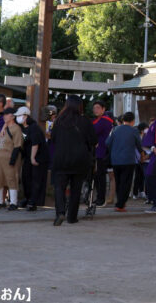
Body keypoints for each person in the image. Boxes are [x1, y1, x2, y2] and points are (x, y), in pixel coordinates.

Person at [51, 95, 96, 226]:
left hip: (61, 158)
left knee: (59, 187)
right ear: (80, 106)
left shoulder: (59, 121)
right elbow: (94, 140)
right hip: (80, 159)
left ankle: (60, 212)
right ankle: (72, 217)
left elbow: (53, 139)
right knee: (76, 189)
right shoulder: (85, 121)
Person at [105, 111, 142, 212]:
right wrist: (141, 154)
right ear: (133, 121)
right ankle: (120, 204)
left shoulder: (115, 129)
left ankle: (120, 202)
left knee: (119, 181)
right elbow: (139, 144)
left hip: (115, 160)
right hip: (128, 160)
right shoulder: (134, 131)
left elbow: (107, 143)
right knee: (126, 182)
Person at [17, 107, 48, 211]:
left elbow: (36, 143)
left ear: (26, 116)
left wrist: (32, 158)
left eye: (20, 115)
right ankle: (28, 198)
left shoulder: (34, 127)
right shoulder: (22, 128)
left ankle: (33, 201)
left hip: (38, 157)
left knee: (36, 179)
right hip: (28, 157)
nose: (18, 118)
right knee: (26, 178)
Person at [0, 107, 23, 210]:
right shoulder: (4, 127)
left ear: (12, 116)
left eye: (6, 114)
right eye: (4, 114)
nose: (4, 116)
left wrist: (13, 159)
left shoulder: (16, 128)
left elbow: (17, 145)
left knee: (11, 179)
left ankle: (13, 202)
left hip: (9, 157)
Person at [91, 100, 115, 207]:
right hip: (99, 151)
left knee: (100, 176)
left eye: (98, 108)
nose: (95, 110)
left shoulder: (104, 120)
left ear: (103, 109)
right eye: (94, 108)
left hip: (101, 152)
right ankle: (99, 198)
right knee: (97, 176)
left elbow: (92, 132)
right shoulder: (99, 120)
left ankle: (101, 199)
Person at [132, 122, 148, 200]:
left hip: (144, 159)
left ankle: (141, 191)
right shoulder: (137, 137)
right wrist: (140, 158)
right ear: (142, 130)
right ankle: (135, 192)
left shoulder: (146, 136)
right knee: (137, 176)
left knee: (142, 176)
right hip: (137, 159)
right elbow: (136, 149)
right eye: (146, 128)